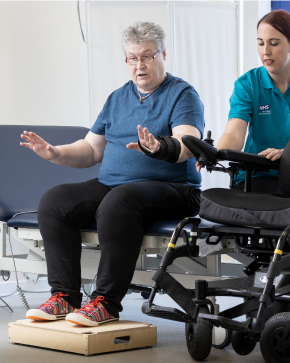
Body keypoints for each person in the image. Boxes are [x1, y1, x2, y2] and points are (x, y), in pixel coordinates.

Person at [20, 21, 204, 327]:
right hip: (115, 186)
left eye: (147, 56)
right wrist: (55, 153)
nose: (139, 65)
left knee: (120, 200)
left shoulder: (182, 94)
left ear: (163, 55)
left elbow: (187, 143)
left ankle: (105, 301)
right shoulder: (117, 98)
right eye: (132, 58)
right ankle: (64, 297)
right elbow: (92, 150)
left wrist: (159, 148)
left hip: (173, 189)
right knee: (55, 201)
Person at [201, 10, 290, 194]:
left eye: (274, 43)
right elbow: (234, 133)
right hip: (256, 176)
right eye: (260, 43)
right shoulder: (247, 84)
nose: (265, 52)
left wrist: (288, 152)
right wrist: (215, 153)